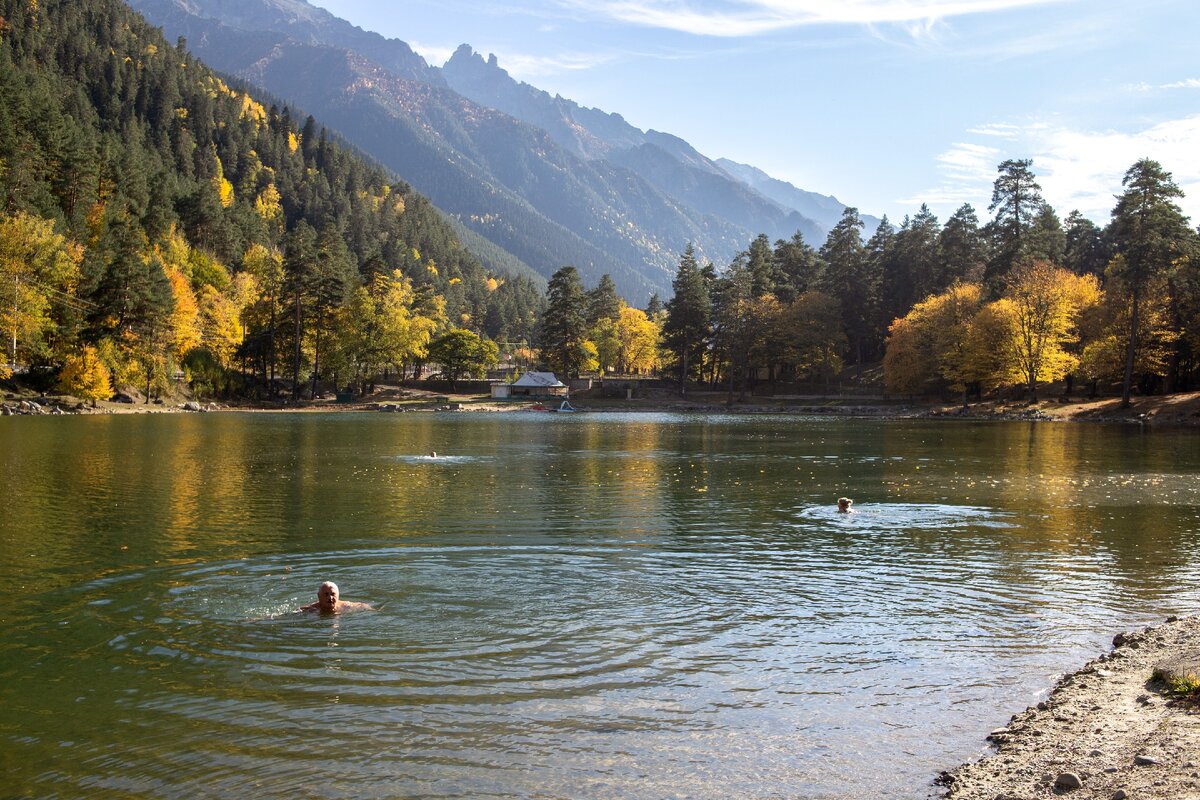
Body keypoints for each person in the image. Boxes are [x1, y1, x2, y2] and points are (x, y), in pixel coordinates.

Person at [300, 581, 373, 613]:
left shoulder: (346, 606)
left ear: (338, 596)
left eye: (333, 594)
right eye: (326, 594)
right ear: (319, 596)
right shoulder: (311, 609)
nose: (330, 597)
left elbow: (364, 606)